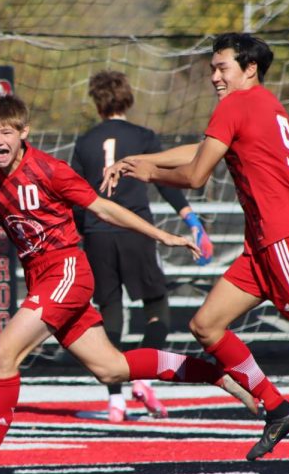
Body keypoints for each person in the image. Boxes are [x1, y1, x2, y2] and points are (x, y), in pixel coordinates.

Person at [0, 93, 257, 474]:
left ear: (24, 133)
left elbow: (102, 207)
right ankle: (216, 374)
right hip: (43, 278)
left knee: (2, 353)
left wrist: (161, 235)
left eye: (7, 132)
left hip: (66, 270)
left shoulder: (49, 169)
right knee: (112, 368)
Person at [101, 32, 289, 474]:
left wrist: (147, 171)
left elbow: (194, 174)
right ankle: (276, 408)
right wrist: (140, 160)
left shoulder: (236, 104)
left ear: (249, 68)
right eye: (212, 68)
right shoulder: (262, 103)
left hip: (286, 245)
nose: (214, 76)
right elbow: (202, 150)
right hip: (263, 247)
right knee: (206, 325)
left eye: (222, 67)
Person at [72, 70, 214, 422]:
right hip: (135, 230)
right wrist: (191, 220)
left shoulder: (86, 141)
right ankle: (142, 377)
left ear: (96, 101)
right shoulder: (142, 136)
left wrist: (78, 237)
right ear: (128, 98)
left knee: (109, 312)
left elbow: (74, 196)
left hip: (97, 234)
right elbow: (165, 182)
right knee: (157, 306)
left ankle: (115, 400)